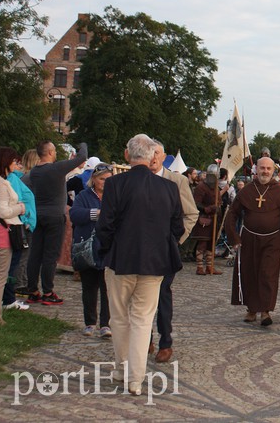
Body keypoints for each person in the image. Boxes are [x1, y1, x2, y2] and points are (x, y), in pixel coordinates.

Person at [96, 134, 184, 396]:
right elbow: (176, 228)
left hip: (121, 260)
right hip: (154, 263)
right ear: (152, 156)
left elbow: (106, 224)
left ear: (127, 156)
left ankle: (124, 371)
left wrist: (105, 250)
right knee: (143, 319)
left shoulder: (115, 185)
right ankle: (134, 378)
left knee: (120, 318)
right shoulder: (168, 188)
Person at [225, 157, 280, 326]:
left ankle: (265, 311)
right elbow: (232, 214)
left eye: (268, 168)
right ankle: (251, 309)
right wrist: (235, 238)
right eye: (262, 168)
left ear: (273, 171)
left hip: (272, 240)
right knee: (250, 273)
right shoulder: (247, 191)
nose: (265, 171)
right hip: (249, 238)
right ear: (256, 169)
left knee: (267, 274)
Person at [149, 141, 198, 363]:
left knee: (162, 295)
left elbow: (190, 214)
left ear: (164, 156)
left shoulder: (177, 181)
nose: (152, 157)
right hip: (138, 250)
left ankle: (165, 341)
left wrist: (176, 240)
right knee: (139, 297)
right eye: (149, 153)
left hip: (165, 250)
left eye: (156, 153)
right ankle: (144, 339)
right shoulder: (136, 179)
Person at [26, 141, 87, 305]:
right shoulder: (56, 168)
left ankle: (32, 289)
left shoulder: (34, 172)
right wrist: (83, 144)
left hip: (38, 215)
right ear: (51, 152)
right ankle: (48, 291)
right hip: (55, 216)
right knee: (50, 255)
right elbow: (82, 157)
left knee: (35, 254)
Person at [70, 163, 113, 336]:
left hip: (108, 247)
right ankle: (90, 322)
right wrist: (95, 214)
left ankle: (106, 324)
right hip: (88, 246)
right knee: (89, 287)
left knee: (107, 288)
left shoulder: (114, 196)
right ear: (94, 180)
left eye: (108, 180)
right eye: (102, 179)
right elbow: (74, 214)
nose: (105, 183)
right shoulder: (84, 196)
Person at [0, 148, 26, 325]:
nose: (16, 164)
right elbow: (3, 210)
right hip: (2, 232)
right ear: (6, 162)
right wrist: (21, 207)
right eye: (14, 160)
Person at [2, 156, 35, 311]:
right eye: (15, 162)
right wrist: (24, 213)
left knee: (14, 261)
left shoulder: (15, 178)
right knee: (15, 262)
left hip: (21, 223)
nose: (18, 164)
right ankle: (9, 298)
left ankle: (8, 297)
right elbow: (15, 203)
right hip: (20, 224)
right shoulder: (10, 179)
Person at [191, 165, 227, 275]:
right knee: (202, 243)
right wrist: (208, 208)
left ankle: (210, 267)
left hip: (215, 219)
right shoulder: (201, 187)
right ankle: (200, 267)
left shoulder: (216, 188)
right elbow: (196, 204)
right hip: (204, 219)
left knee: (211, 244)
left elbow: (219, 201)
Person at [14, 149, 40, 294]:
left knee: (25, 254)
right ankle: (20, 284)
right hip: (27, 219)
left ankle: (21, 282)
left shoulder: (22, 177)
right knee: (24, 254)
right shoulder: (28, 178)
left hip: (27, 218)